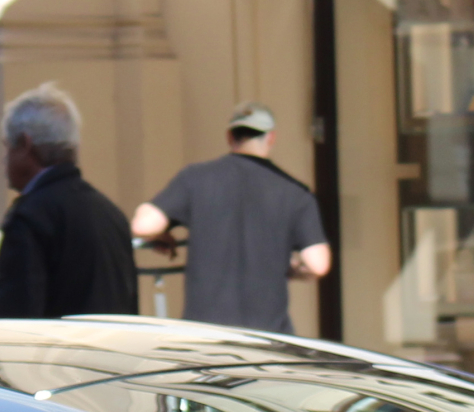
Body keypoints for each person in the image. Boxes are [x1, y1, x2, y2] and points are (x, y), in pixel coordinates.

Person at [132, 101, 330, 333]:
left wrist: (162, 233)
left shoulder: (195, 179)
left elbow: (143, 225)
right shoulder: (295, 193)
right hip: (268, 338)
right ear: (271, 138)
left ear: (229, 136)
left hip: (205, 336)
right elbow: (318, 265)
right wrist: (290, 268)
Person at [0, 83, 137, 319]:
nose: (4, 160)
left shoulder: (31, 217)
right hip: (110, 354)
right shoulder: (110, 213)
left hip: (58, 354)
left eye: (7, 147)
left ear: (25, 145)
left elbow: (16, 323)